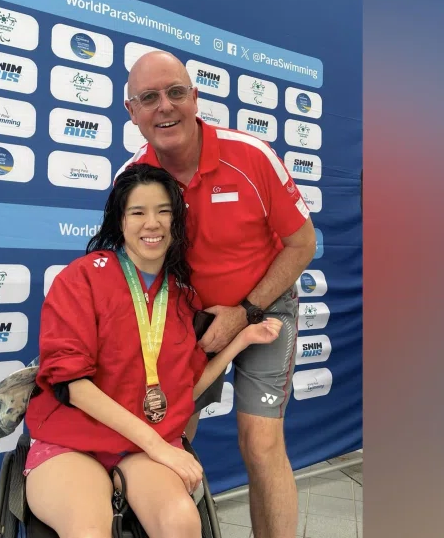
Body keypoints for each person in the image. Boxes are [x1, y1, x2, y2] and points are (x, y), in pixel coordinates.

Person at [23, 163, 283, 538]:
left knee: (181, 524)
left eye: (164, 211)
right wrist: (158, 447)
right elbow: (73, 386)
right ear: (120, 221)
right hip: (73, 442)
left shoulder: (180, 296)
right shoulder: (81, 278)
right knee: (89, 531)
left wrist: (240, 341)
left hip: (143, 448)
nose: (153, 223)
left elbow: (184, 391)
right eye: (138, 212)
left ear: (176, 223)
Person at [120, 51, 317, 538]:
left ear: (195, 97)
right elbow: (129, 272)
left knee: (260, 440)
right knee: (169, 436)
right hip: (185, 319)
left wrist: (244, 312)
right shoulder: (133, 179)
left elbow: (303, 243)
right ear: (132, 112)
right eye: (149, 98)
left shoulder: (251, 155)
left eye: (176, 92)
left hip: (264, 304)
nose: (164, 107)